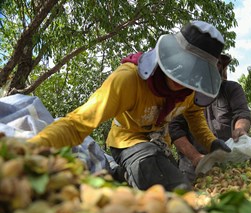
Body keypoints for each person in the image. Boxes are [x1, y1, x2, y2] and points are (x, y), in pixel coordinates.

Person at [28, 20, 232, 191]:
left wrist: (211, 142)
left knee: (173, 181)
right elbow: (79, 122)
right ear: (170, 54)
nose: (183, 78)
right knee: (175, 190)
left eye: (192, 72)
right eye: (182, 65)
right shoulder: (128, 79)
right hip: (126, 141)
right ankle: (128, 170)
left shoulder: (190, 91)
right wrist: (30, 150)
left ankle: (121, 175)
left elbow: (195, 116)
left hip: (159, 145)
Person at [168, 54, 251, 183]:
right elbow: (175, 128)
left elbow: (242, 113)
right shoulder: (184, 94)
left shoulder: (231, 89)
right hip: (193, 164)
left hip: (229, 158)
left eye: (217, 63)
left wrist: (240, 128)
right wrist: (194, 156)